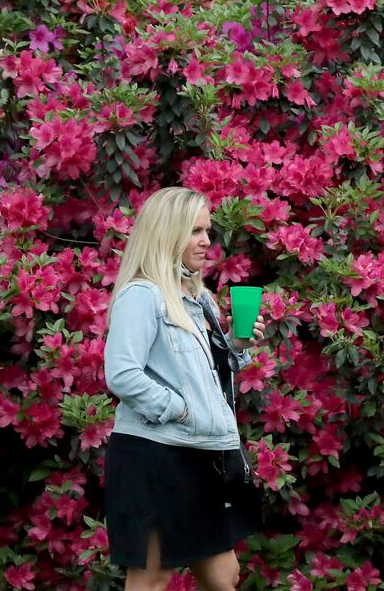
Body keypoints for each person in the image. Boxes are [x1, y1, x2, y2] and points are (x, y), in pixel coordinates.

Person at [103, 186, 266, 591]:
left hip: (200, 456)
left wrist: (237, 346)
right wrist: (179, 409)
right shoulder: (142, 295)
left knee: (222, 575)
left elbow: (206, 372)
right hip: (155, 457)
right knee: (152, 579)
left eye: (206, 231)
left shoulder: (199, 299)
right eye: (195, 231)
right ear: (167, 233)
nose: (207, 242)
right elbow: (122, 374)